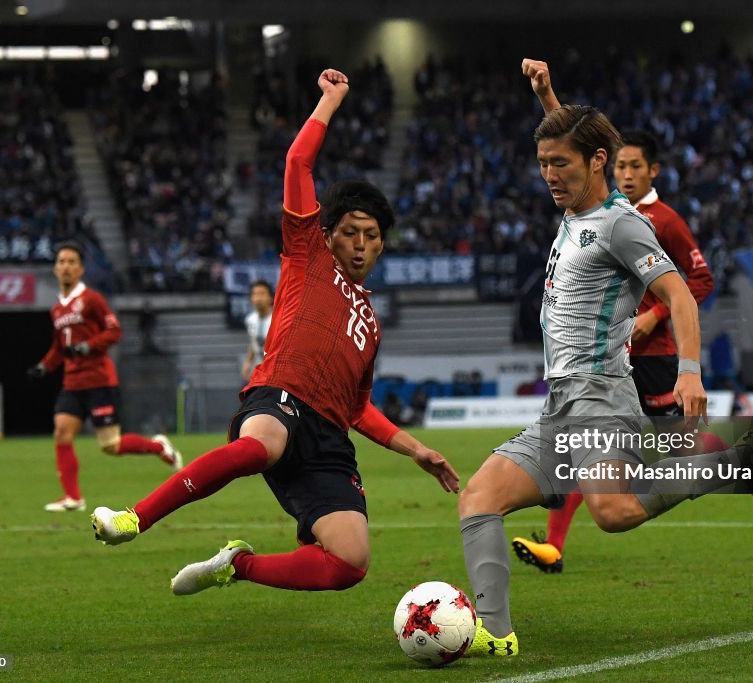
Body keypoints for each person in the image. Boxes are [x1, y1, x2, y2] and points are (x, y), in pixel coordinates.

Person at [458, 59, 753, 657]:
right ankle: (495, 636)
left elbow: (679, 294)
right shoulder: (575, 208)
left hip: (602, 395)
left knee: (614, 512)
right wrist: (548, 96)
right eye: (543, 164)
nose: (549, 175)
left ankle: (743, 463)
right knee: (478, 499)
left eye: (560, 165)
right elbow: (577, 142)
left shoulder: (622, 226)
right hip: (559, 406)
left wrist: (690, 371)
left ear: (596, 165)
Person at [91, 69, 459, 599]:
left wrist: (415, 449)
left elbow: (357, 410)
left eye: (371, 236)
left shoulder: (372, 324)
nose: (359, 244)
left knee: (350, 561)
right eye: (350, 232)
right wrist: (330, 101)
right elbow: (297, 162)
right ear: (329, 233)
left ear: (382, 247)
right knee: (260, 445)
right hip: (279, 399)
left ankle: (237, 566)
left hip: (328, 441)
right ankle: (134, 518)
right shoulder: (308, 252)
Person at [511, 128, 753, 573]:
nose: (627, 174)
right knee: (586, 445)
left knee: (679, 445)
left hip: (651, 355)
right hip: (604, 360)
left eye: (636, 166)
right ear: (603, 166)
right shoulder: (597, 212)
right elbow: (567, 137)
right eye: (621, 166)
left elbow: (699, 281)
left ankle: (744, 463)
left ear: (653, 171)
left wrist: (653, 315)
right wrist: (545, 94)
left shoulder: (663, 220)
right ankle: (554, 546)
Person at [28, 242, 183, 512]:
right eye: (61, 262)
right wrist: (44, 366)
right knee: (62, 434)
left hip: (99, 380)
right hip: (72, 383)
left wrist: (89, 346)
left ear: (80, 269)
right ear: (55, 268)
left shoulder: (92, 299)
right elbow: (59, 346)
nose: (65, 266)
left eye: (71, 262)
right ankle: (73, 498)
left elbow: (114, 331)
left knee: (110, 444)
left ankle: (158, 447)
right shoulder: (57, 309)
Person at [241, 280, 274, 379]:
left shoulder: (278, 320)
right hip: (261, 372)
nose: (258, 298)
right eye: (255, 294)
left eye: (262, 294)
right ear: (251, 299)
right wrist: (247, 362)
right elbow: (253, 342)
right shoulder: (250, 320)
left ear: (271, 298)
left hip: (277, 372)